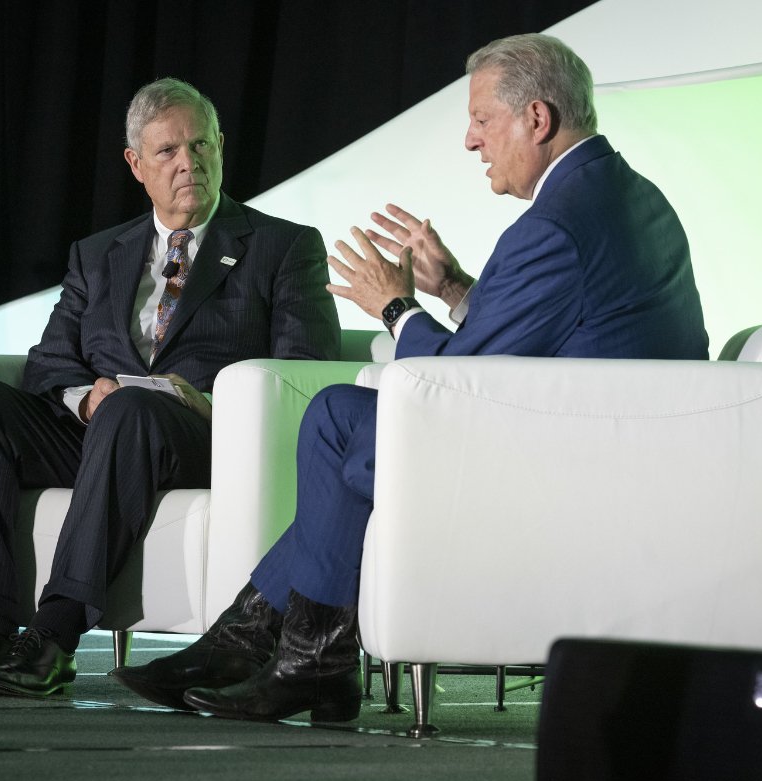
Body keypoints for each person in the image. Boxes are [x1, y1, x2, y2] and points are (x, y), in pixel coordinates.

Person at [112, 34, 708, 723]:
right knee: (352, 440)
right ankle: (276, 655)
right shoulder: (621, 194)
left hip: (565, 462)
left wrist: (394, 307)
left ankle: (293, 657)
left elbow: (459, 380)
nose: (469, 141)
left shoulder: (557, 224)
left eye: (482, 120)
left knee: (338, 420)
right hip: (593, 439)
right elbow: (543, 333)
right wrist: (455, 287)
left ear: (536, 119)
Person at [0, 78, 340, 697]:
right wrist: (86, 398)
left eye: (199, 145)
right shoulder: (97, 254)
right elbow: (49, 364)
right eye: (167, 152)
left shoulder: (282, 246)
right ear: (136, 166)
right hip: (100, 427)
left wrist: (216, 403)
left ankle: (54, 638)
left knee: (134, 409)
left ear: (221, 145)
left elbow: (304, 371)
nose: (188, 163)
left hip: (201, 435)